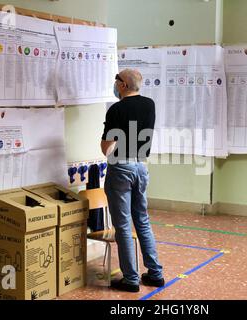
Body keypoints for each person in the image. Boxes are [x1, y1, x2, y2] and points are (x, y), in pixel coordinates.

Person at [101, 69, 164, 292]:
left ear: (123, 85)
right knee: (142, 221)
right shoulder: (150, 104)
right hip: (141, 166)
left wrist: (116, 139)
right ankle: (155, 274)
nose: (115, 84)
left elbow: (105, 148)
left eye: (116, 80)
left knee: (123, 227)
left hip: (121, 167)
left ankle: (131, 280)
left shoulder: (116, 109)